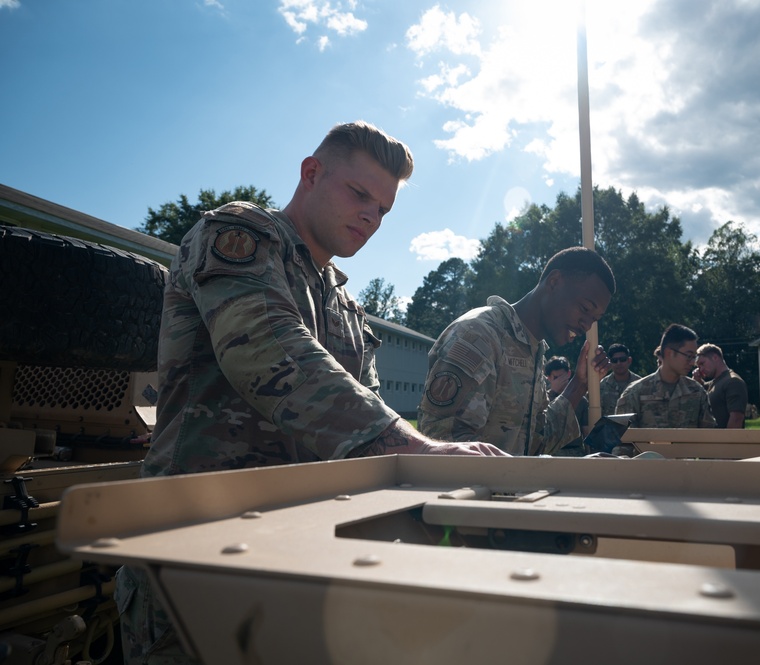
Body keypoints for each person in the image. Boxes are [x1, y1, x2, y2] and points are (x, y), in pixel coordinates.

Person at [118, 121, 506, 665]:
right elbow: (266, 351)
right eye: (359, 194)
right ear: (311, 173)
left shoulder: (347, 308)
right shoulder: (240, 234)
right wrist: (416, 450)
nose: (371, 216)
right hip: (196, 545)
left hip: (294, 547)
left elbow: (365, 410)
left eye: (384, 209)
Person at [418, 247, 615, 455]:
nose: (587, 325)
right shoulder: (478, 335)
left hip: (508, 486)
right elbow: (445, 447)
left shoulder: (533, 349)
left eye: (594, 319)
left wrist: (579, 384)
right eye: (585, 308)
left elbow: (534, 444)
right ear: (554, 281)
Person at [616, 324, 716, 429]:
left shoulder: (697, 392)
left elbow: (708, 437)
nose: (692, 363)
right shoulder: (635, 393)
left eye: (694, 357)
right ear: (669, 353)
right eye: (689, 356)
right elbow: (623, 440)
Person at [694, 343, 748, 428]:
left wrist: (727, 441)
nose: (701, 369)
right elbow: (705, 388)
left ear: (715, 357)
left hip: (723, 440)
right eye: (698, 366)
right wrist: (697, 381)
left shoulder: (733, 382)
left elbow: (736, 419)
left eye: (702, 363)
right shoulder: (716, 382)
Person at [544, 355, 588, 455]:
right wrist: (553, 392)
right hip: (550, 453)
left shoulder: (581, 400)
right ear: (549, 378)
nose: (560, 381)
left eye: (562, 376)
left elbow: (586, 431)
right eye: (556, 377)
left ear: (569, 374)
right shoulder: (543, 400)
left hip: (575, 452)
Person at [598, 343, 642, 417]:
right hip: (609, 428)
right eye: (614, 360)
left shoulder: (640, 385)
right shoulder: (601, 386)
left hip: (633, 428)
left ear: (629, 360)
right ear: (610, 362)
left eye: (622, 359)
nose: (619, 363)